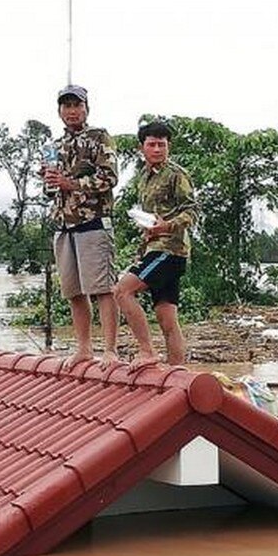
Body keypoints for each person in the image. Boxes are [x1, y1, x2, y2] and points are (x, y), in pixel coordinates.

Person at [42, 85, 119, 369]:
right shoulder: (53, 146)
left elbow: (109, 178)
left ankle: (110, 350)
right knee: (73, 291)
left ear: (87, 108)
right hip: (63, 224)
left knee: (103, 288)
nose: (72, 111)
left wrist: (71, 183)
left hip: (93, 222)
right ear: (59, 111)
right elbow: (50, 191)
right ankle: (84, 348)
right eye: (66, 106)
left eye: (77, 105)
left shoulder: (100, 138)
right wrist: (50, 181)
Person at [113, 121, 197, 370]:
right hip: (154, 247)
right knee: (166, 317)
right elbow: (151, 217)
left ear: (169, 146)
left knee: (122, 291)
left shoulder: (176, 174)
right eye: (152, 144)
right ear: (142, 148)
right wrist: (149, 232)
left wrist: (166, 226)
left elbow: (192, 211)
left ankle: (147, 351)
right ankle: (176, 372)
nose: (158, 149)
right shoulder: (144, 177)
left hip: (170, 250)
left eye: (162, 144)